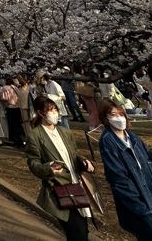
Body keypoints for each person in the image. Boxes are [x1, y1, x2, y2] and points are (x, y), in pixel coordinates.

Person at [98, 100, 152, 240]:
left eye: (121, 114)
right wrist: (139, 208)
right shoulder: (108, 141)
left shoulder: (133, 137)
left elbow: (151, 166)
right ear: (106, 118)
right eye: (113, 114)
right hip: (139, 201)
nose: (119, 118)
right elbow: (118, 179)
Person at [25, 96, 95, 240]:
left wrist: (84, 162)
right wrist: (48, 168)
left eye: (55, 109)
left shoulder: (65, 132)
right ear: (40, 113)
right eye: (50, 110)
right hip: (59, 189)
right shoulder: (35, 135)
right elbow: (33, 163)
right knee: (77, 231)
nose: (54, 113)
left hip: (77, 186)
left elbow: (74, 155)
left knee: (82, 230)